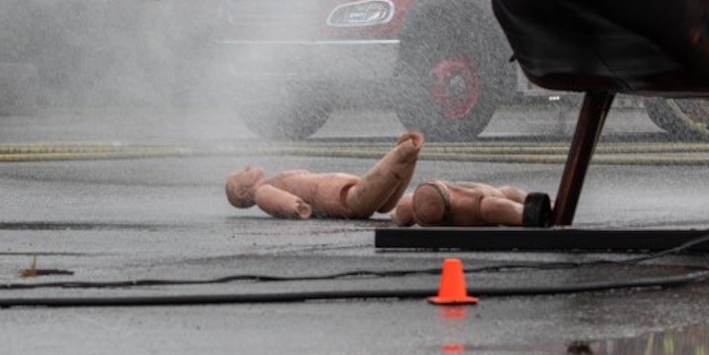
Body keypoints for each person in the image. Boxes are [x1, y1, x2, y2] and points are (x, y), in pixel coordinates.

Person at [223, 131, 422, 219]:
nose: (247, 167)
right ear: (241, 191)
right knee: (360, 195)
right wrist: (297, 207)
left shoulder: (270, 183)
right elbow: (279, 201)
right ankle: (404, 153)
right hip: (333, 195)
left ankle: (407, 158)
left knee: (382, 201)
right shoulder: (262, 192)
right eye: (243, 172)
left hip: (334, 190)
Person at [390, 180, 551, 229]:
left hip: (490, 196)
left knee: (508, 193)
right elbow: (526, 214)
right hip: (489, 199)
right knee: (507, 193)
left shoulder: (483, 206)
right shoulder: (481, 206)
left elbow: (396, 214)